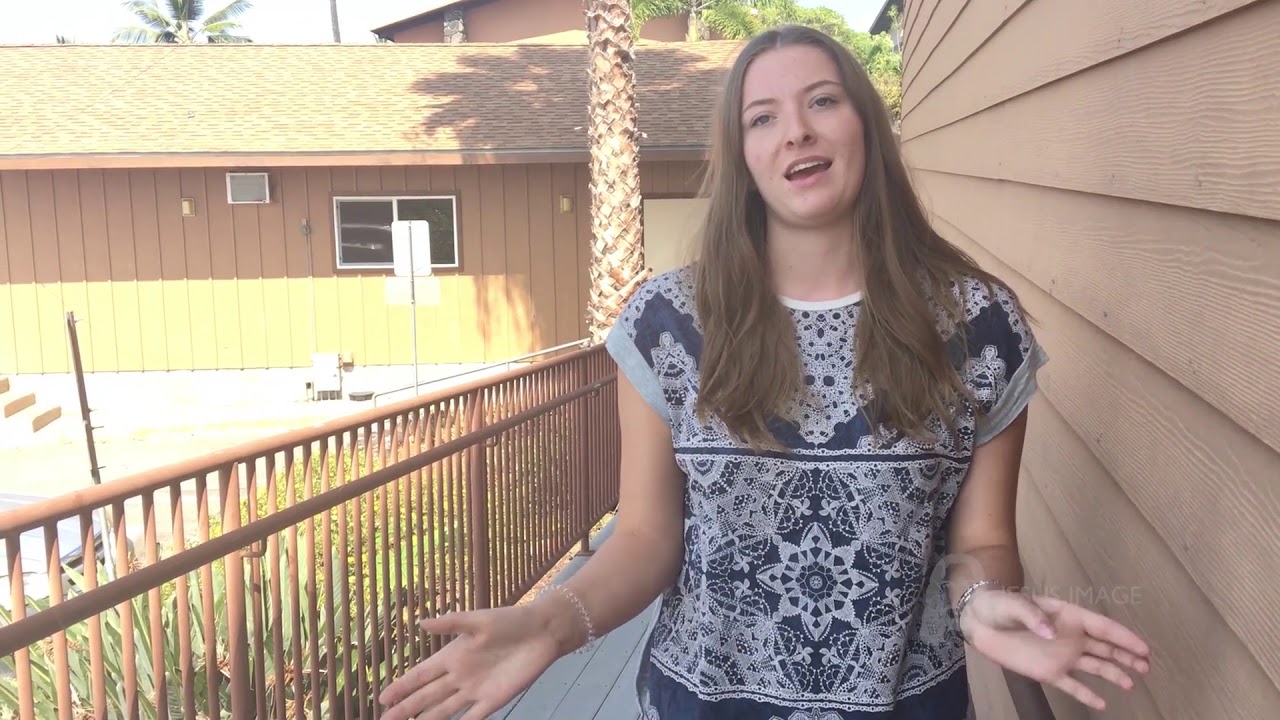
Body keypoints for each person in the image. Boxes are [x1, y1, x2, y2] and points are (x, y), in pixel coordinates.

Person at [378, 24, 1151, 720]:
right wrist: (550, 622)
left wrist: (982, 603)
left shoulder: (979, 325)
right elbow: (646, 535)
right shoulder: (667, 324)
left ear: (868, 127)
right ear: (743, 156)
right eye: (763, 118)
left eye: (823, 101)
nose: (797, 132)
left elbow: (982, 541)